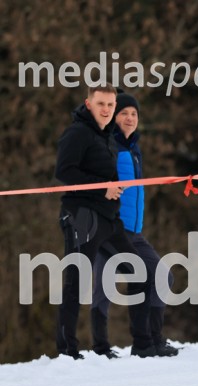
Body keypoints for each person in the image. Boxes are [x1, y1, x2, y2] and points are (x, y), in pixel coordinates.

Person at [55, 84, 154, 359]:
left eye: (111, 105)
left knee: (140, 273)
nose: (107, 110)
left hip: (110, 218)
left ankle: (143, 344)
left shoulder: (108, 136)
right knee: (77, 282)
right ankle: (68, 352)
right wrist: (102, 188)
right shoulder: (77, 133)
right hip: (81, 216)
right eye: (101, 104)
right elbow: (63, 171)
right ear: (89, 104)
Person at [90, 93, 178, 358]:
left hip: (133, 230)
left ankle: (150, 341)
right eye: (124, 113)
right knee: (115, 284)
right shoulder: (106, 144)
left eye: (134, 114)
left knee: (161, 276)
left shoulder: (133, 148)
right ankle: (131, 345)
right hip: (110, 228)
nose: (129, 118)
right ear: (113, 116)